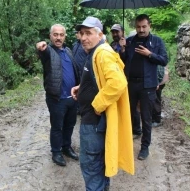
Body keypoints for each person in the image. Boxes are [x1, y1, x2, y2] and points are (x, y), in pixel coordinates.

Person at [71, 16, 134, 191]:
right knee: (100, 168)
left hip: (93, 124)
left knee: (92, 170)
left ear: (100, 35)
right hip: (95, 124)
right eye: (82, 33)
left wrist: (98, 104)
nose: (84, 37)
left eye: (89, 33)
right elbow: (100, 80)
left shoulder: (103, 53)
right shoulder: (95, 52)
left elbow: (118, 83)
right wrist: (81, 87)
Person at [119, 14, 168, 160]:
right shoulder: (129, 41)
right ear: (135, 27)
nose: (141, 30)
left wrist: (149, 54)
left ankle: (144, 147)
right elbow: (122, 61)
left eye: (144, 26)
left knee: (146, 117)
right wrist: (122, 50)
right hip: (130, 84)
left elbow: (164, 60)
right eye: (138, 27)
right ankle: (126, 143)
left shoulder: (157, 41)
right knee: (127, 114)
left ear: (149, 26)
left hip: (148, 85)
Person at [36, 24, 80, 167]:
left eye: (61, 34)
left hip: (72, 98)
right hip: (57, 99)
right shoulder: (48, 52)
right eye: (55, 34)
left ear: (65, 36)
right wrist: (40, 47)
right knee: (57, 126)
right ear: (50, 36)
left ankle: (66, 147)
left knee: (69, 124)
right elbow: (41, 50)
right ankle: (56, 151)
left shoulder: (68, 51)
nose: (58, 37)